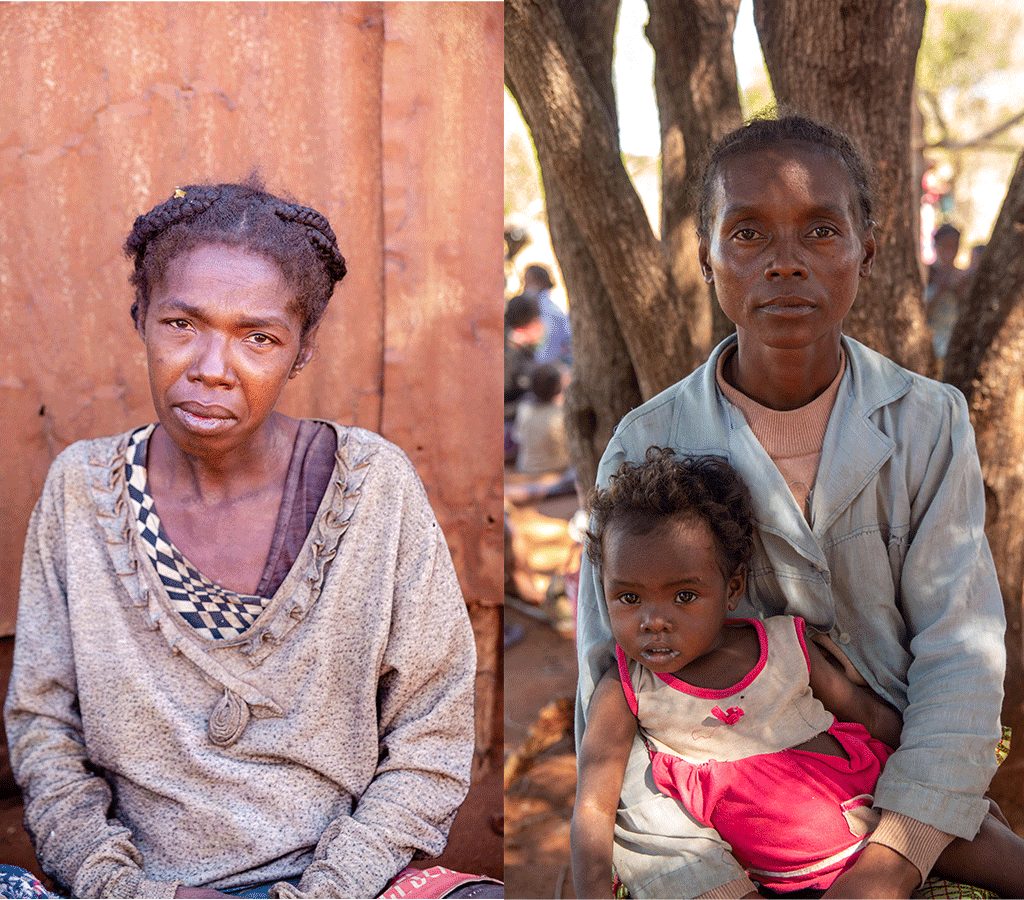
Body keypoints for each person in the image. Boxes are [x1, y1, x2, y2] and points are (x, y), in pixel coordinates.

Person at [4, 181, 490, 899]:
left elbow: (432, 731)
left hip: (343, 884)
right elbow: (44, 727)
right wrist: (130, 892)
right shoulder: (81, 489)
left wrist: (322, 893)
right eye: (181, 324)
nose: (210, 367)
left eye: (257, 337)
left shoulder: (373, 488)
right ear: (140, 317)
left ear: (301, 351)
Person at [575, 115, 1006, 898]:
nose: (784, 264)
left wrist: (897, 853)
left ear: (867, 249)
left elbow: (960, 653)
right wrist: (700, 877)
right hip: (716, 834)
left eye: (820, 232)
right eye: (746, 234)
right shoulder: (649, 443)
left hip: (904, 797)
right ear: (705, 254)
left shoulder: (926, 421)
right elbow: (612, 684)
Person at [572, 448, 1023, 898]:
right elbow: (595, 805)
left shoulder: (786, 644)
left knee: (993, 852)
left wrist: (947, 791)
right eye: (629, 599)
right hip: (790, 879)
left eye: (684, 596)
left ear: (732, 589)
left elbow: (870, 716)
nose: (653, 621)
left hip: (886, 818)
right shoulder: (626, 690)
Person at [514, 363, 570, 475]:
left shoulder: (523, 409)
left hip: (526, 468)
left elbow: (518, 439)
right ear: (558, 388)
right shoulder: (560, 413)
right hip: (557, 469)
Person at [925, 223, 968, 362]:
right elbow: (920, 313)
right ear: (936, 246)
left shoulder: (961, 277)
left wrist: (960, 292)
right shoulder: (927, 273)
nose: (950, 252)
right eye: (945, 246)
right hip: (930, 342)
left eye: (954, 246)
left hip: (952, 344)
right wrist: (939, 290)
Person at [523, 264, 572, 368]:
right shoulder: (539, 308)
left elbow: (550, 345)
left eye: (529, 281)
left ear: (541, 282)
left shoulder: (548, 310)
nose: (525, 287)